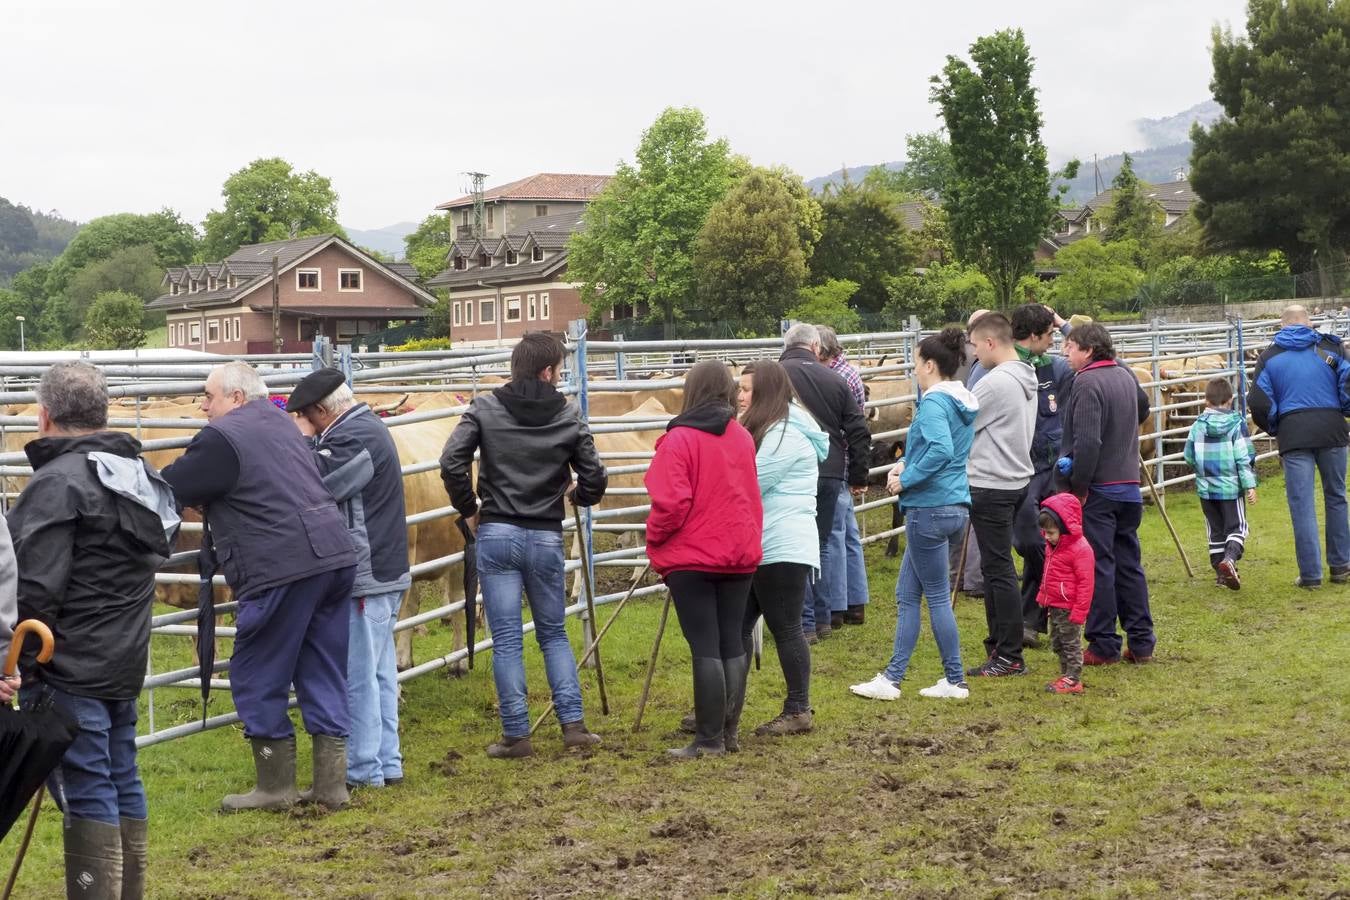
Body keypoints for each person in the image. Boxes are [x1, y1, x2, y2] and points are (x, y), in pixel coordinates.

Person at [8, 362, 178, 899]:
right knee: (121, 774)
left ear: (45, 415)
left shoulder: (57, 483)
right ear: (101, 413)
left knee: (88, 786)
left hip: (69, 668)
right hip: (121, 660)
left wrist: (20, 662)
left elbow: (34, 588)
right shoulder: (137, 475)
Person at [162, 362, 357, 811]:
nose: (203, 405)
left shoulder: (222, 438)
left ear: (235, 397)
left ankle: (275, 787)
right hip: (332, 553)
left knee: (257, 669)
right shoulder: (281, 422)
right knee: (322, 665)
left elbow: (174, 483)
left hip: (281, 565)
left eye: (208, 396)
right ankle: (331, 786)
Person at [440, 333, 607, 759]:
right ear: (547, 371)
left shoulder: (484, 408)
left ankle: (517, 735)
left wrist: (469, 508)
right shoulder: (569, 416)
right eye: (560, 369)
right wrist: (579, 496)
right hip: (546, 535)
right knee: (553, 634)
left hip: (496, 532)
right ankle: (573, 727)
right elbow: (595, 476)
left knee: (508, 639)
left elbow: (451, 461)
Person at [287, 369, 411, 788]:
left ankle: (361, 769)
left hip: (367, 572)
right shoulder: (368, 427)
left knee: (359, 675)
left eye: (307, 417)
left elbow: (315, 484)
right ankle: (386, 764)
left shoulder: (353, 438)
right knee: (378, 673)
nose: (307, 425)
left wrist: (302, 441)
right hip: (384, 568)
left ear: (322, 410)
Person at [850, 328, 978, 702]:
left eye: (917, 363)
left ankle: (954, 680)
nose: (914, 371)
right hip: (952, 504)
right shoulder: (960, 401)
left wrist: (906, 479)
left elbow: (939, 450)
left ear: (930, 365)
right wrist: (904, 462)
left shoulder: (936, 403)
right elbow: (941, 450)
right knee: (907, 593)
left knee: (935, 596)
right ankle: (893, 678)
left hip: (929, 508)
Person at [646, 360, 763, 758]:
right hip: (739, 554)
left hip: (694, 556)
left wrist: (656, 539)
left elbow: (670, 503)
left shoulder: (678, 441)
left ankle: (709, 739)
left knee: (705, 646)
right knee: (732, 640)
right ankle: (728, 733)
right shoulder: (741, 437)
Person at [736, 361, 828, 736]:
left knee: (786, 627)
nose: (739, 396)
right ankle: (721, 704)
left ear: (767, 393)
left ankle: (797, 709)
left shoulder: (785, 434)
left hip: (782, 545)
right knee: (737, 627)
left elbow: (749, 482)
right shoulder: (771, 428)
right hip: (765, 543)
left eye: (746, 389)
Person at [1058, 324, 1156, 665]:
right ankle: (1142, 641)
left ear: (1087, 349)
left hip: (1100, 488)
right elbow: (1142, 412)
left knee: (1099, 566)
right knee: (1129, 563)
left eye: (1069, 346)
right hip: (1129, 485)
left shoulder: (1086, 382)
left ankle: (1103, 642)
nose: (1064, 353)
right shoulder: (1125, 376)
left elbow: (1087, 441)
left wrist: (1079, 488)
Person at [779, 323, 871, 642]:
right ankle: (822, 618)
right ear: (816, 347)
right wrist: (859, 476)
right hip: (830, 470)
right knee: (820, 544)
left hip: (788, 469)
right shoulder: (835, 379)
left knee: (793, 545)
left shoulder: (773, 377)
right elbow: (858, 429)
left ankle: (802, 623)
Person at [1248, 304, 1350, 588]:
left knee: (1302, 504)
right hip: (1332, 429)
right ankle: (1341, 566)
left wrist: (1276, 426)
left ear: (1282, 326)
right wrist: (1343, 410)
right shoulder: (1331, 348)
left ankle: (1310, 575)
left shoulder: (1269, 356)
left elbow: (1258, 400)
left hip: (1293, 434)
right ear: (1310, 323)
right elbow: (1347, 381)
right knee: (1337, 496)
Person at [964, 312, 1037, 678]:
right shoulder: (1026, 374)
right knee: (999, 568)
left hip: (992, 484)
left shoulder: (994, 383)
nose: (975, 354)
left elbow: (961, 423)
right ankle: (1000, 646)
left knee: (999, 570)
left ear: (990, 343)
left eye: (976, 346)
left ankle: (1009, 655)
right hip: (1016, 480)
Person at [1008, 304, 1075, 645]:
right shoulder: (1003, 367)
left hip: (1053, 468)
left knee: (1055, 538)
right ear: (1033, 336)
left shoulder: (1056, 368)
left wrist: (1064, 325)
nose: (1053, 341)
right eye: (1049, 335)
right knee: (1029, 541)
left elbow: (1098, 352)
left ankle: (1031, 620)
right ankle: (1028, 613)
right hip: (1018, 470)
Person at [816, 326, 870, 627]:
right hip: (848, 461)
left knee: (834, 533)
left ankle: (835, 604)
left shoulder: (835, 377)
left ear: (821, 351)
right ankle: (855, 602)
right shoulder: (848, 372)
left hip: (838, 461)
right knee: (848, 533)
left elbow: (848, 425)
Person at [1184, 378, 1259, 590]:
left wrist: (1202, 470)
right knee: (1238, 527)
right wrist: (1250, 485)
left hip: (1206, 490)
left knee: (1215, 530)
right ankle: (1230, 560)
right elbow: (1244, 458)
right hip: (1231, 489)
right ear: (1231, 400)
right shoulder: (1236, 424)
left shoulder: (1197, 426)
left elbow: (1188, 455)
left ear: (1206, 400)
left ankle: (1220, 574)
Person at [1034, 494, 1094, 695]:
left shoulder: (1080, 549)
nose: (1047, 536)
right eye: (1044, 532)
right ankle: (1065, 674)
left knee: (1071, 644)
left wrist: (1079, 612)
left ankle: (1073, 678)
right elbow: (1048, 572)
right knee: (1057, 642)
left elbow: (1086, 584)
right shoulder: (1053, 546)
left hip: (1069, 608)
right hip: (1055, 605)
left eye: (1051, 532)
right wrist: (1043, 595)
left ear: (1065, 527)